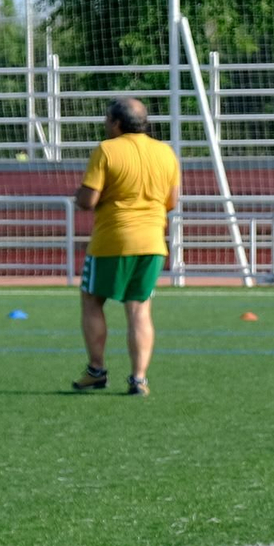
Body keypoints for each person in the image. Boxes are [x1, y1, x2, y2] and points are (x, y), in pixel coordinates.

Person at [71, 97, 180, 398]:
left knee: (92, 301)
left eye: (107, 120)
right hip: (153, 242)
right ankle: (139, 379)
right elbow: (172, 202)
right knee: (140, 309)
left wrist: (78, 195)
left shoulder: (107, 149)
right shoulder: (165, 152)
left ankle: (96, 370)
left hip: (112, 240)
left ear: (117, 123)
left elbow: (88, 200)